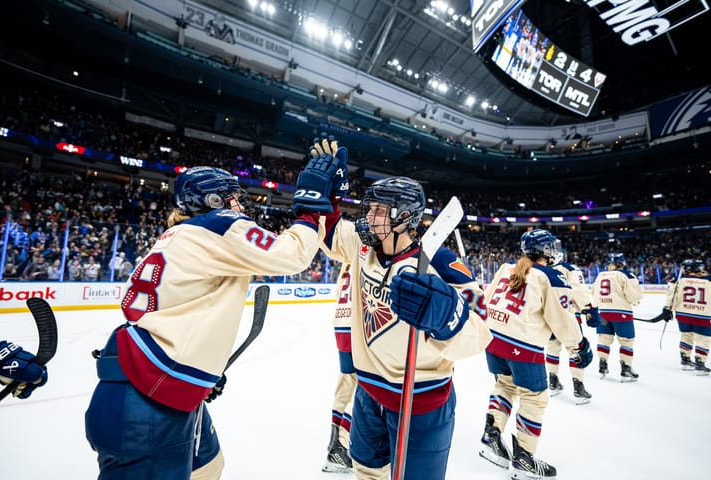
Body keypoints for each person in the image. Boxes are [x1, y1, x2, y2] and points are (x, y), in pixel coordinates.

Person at [85, 155, 346, 479]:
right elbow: (290, 256)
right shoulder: (218, 224)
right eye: (234, 197)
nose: (240, 206)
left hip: (148, 384)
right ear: (214, 200)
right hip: (147, 400)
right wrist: (311, 210)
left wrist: (199, 369)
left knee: (208, 468)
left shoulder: (177, 234)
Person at [319, 171, 491, 480]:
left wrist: (446, 316)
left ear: (406, 217)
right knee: (367, 471)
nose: (369, 217)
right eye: (369, 208)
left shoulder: (438, 261)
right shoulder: (363, 245)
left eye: (380, 211)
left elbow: (480, 330)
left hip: (421, 401)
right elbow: (330, 232)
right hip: (368, 392)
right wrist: (325, 196)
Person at [480, 229, 592, 479]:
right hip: (522, 344)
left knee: (505, 386)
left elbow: (487, 300)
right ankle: (524, 459)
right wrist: (579, 345)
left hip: (493, 337)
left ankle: (491, 438)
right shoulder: (551, 276)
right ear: (546, 251)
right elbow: (562, 318)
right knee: (535, 398)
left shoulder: (506, 267)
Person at [546, 252, 601, 404]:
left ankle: (553, 382)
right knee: (575, 350)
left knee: (552, 349)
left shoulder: (542, 271)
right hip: (569, 316)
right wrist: (588, 308)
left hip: (550, 317)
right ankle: (578, 387)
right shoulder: (570, 270)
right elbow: (578, 290)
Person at [323, 262, 357, 473]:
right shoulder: (369, 255)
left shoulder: (348, 260)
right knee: (368, 387)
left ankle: (335, 442)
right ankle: (343, 445)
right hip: (358, 328)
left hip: (342, 324)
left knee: (347, 381)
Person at [591, 253, 643, 381]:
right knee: (626, 341)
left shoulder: (600, 275)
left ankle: (602, 364)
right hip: (621, 313)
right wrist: (636, 301)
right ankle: (626, 368)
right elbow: (634, 297)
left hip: (602, 312)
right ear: (622, 263)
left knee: (604, 339)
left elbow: (594, 293)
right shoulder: (627, 275)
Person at [661, 259, 710, 375]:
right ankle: (700, 364)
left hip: (683, 314)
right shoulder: (708, 281)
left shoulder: (679, 280)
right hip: (702, 315)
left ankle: (685, 360)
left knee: (686, 336)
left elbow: (671, 296)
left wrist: (667, 309)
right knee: (703, 339)